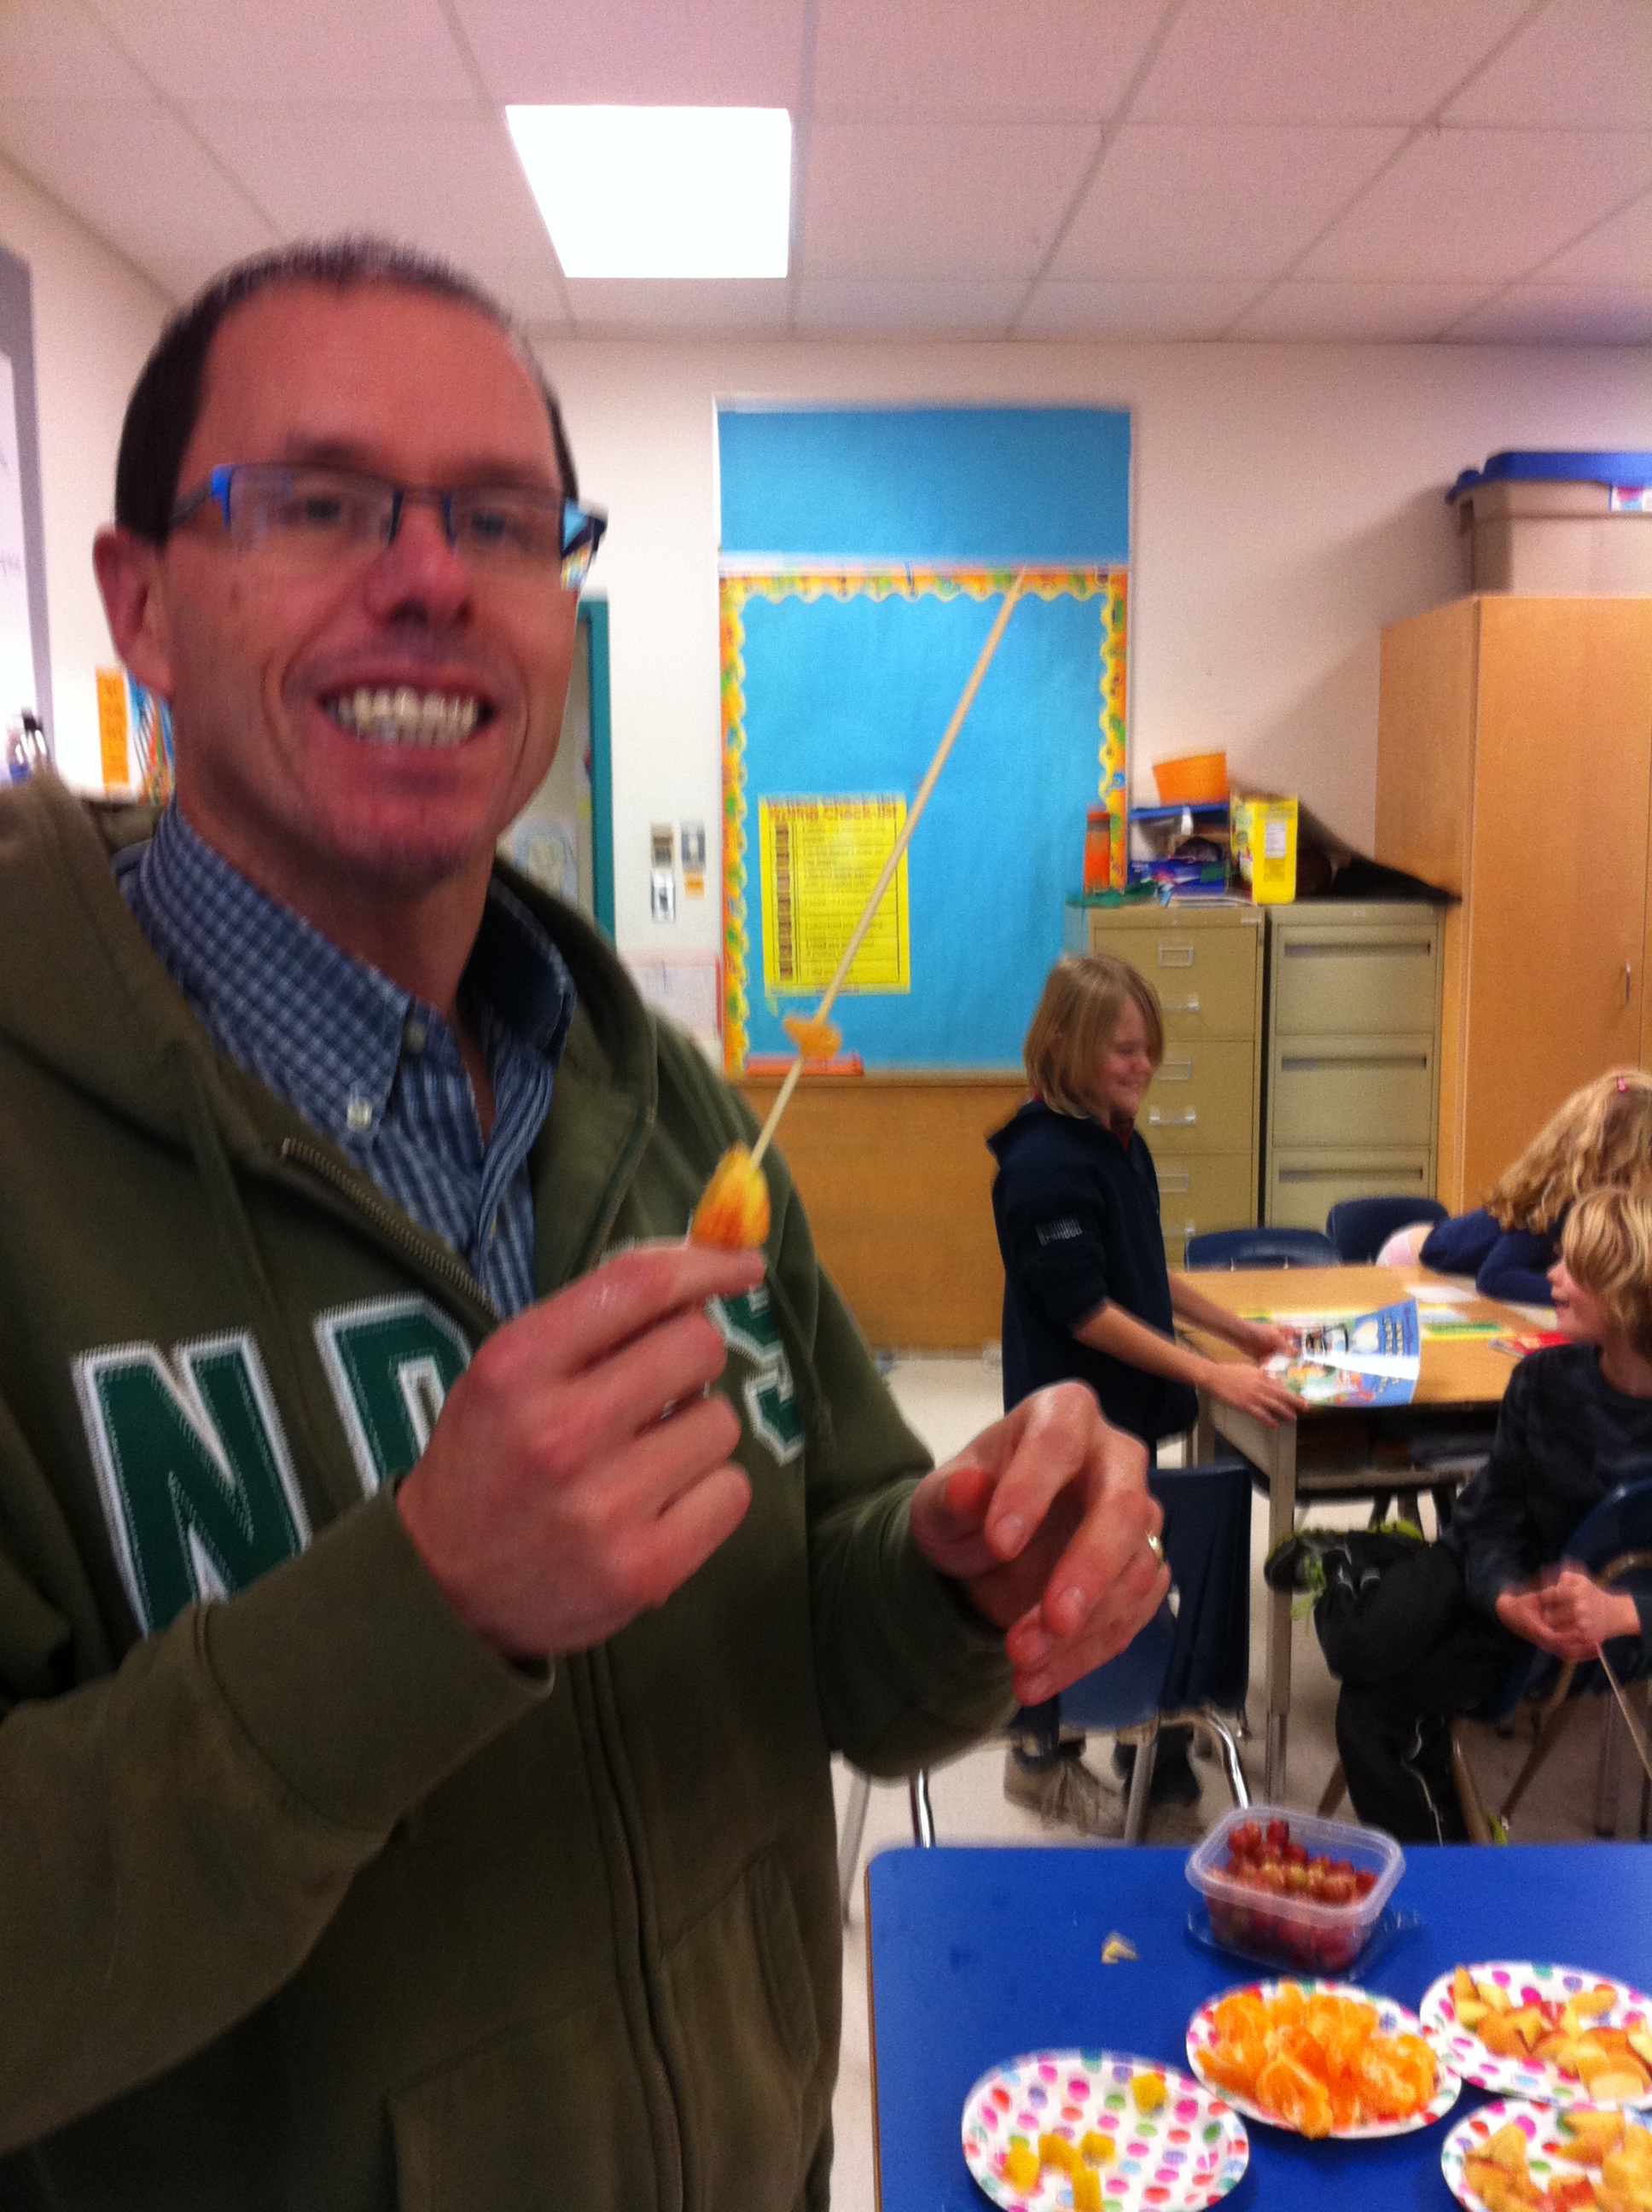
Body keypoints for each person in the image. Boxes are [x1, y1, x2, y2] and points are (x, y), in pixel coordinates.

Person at [0, 242, 1171, 2210]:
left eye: (497, 519)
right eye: (317, 503)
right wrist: (423, 1606)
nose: (430, 576)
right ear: (141, 608)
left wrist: (964, 1576)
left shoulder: (666, 1111)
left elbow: (844, 1645)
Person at [987, 952, 1297, 1834]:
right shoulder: (1041, 1165)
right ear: (1063, 1042)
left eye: (1148, 1047)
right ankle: (1037, 1759)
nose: (1143, 1065)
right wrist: (1207, 1372)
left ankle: (1147, 1744)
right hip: (1069, 1421)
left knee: (1131, 1568)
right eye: (1122, 1049)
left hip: (1127, 1411)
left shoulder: (1118, 1137)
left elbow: (1142, 1271)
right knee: (1063, 1579)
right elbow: (1086, 1311)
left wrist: (1235, 1330)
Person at [1295, 1186, 1652, 1844]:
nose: (1551, 1276)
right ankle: (1359, 1566)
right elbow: (1489, 1517)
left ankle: (1451, 1869)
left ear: (1628, 1294)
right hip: (1508, 1587)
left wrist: (1623, 1611)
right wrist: (1507, 1595)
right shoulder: (1545, 1381)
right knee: (1364, 1644)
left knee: (1373, 1708)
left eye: (1574, 1268)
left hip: (1590, 1634)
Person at [1380, 1068, 1652, 1305]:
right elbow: (1496, 1278)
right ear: (1621, 1156)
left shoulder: (1606, 1209)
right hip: (1410, 1261)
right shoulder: (1552, 1205)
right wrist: (1585, 1300)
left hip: (1453, 1274)